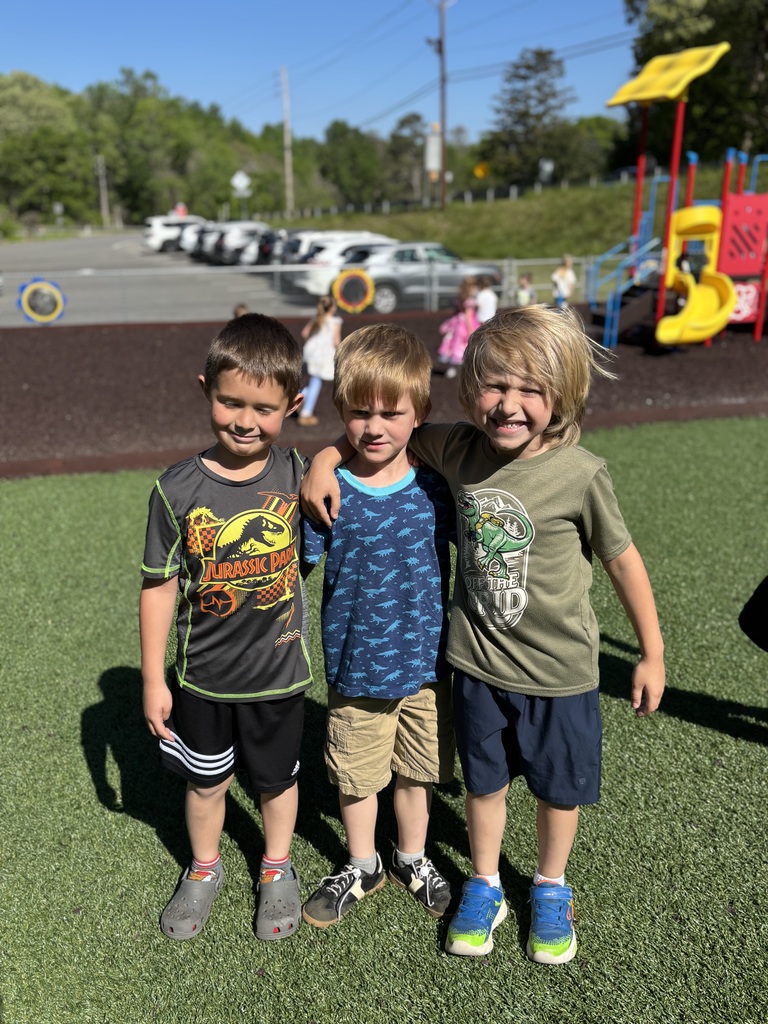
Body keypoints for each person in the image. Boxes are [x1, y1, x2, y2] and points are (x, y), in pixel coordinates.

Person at [301, 304, 665, 964]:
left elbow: (622, 558)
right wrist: (323, 459)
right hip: (474, 667)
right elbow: (380, 425)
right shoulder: (457, 449)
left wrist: (652, 651)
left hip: (562, 674)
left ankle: (551, 887)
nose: (509, 405)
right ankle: (486, 882)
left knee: (559, 790)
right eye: (495, 386)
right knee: (482, 786)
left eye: (531, 389)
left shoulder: (582, 474)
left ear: (565, 394)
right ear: (469, 390)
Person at [140, 312, 311, 943]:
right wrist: (154, 679)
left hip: (278, 674)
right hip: (202, 680)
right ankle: (204, 868)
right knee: (206, 782)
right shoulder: (176, 489)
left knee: (277, 782)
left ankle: (275, 868)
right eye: (229, 401)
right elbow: (158, 585)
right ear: (205, 388)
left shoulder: (299, 474)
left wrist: (326, 462)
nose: (244, 420)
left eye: (263, 409)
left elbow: (360, 445)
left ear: (293, 405)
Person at [300, 323, 456, 929]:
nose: (374, 427)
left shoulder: (437, 489)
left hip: (425, 665)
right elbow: (297, 573)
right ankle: (362, 864)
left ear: (419, 413)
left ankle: (411, 857)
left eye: (392, 413)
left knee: (417, 773)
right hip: (355, 668)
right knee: (357, 776)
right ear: (341, 409)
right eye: (360, 412)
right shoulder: (328, 491)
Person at [298, 295, 342, 427]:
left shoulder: (317, 318)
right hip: (324, 354)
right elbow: (336, 341)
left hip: (312, 351)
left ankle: (299, 397)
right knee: (317, 380)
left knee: (315, 379)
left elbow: (304, 333)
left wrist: (311, 344)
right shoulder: (335, 321)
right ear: (332, 308)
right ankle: (306, 412)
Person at [437, 276, 479, 378]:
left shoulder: (460, 297)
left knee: (453, 343)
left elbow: (456, 312)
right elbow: (468, 317)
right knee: (464, 345)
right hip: (464, 324)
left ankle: (451, 369)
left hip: (456, 322)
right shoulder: (468, 300)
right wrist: (471, 331)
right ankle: (466, 371)